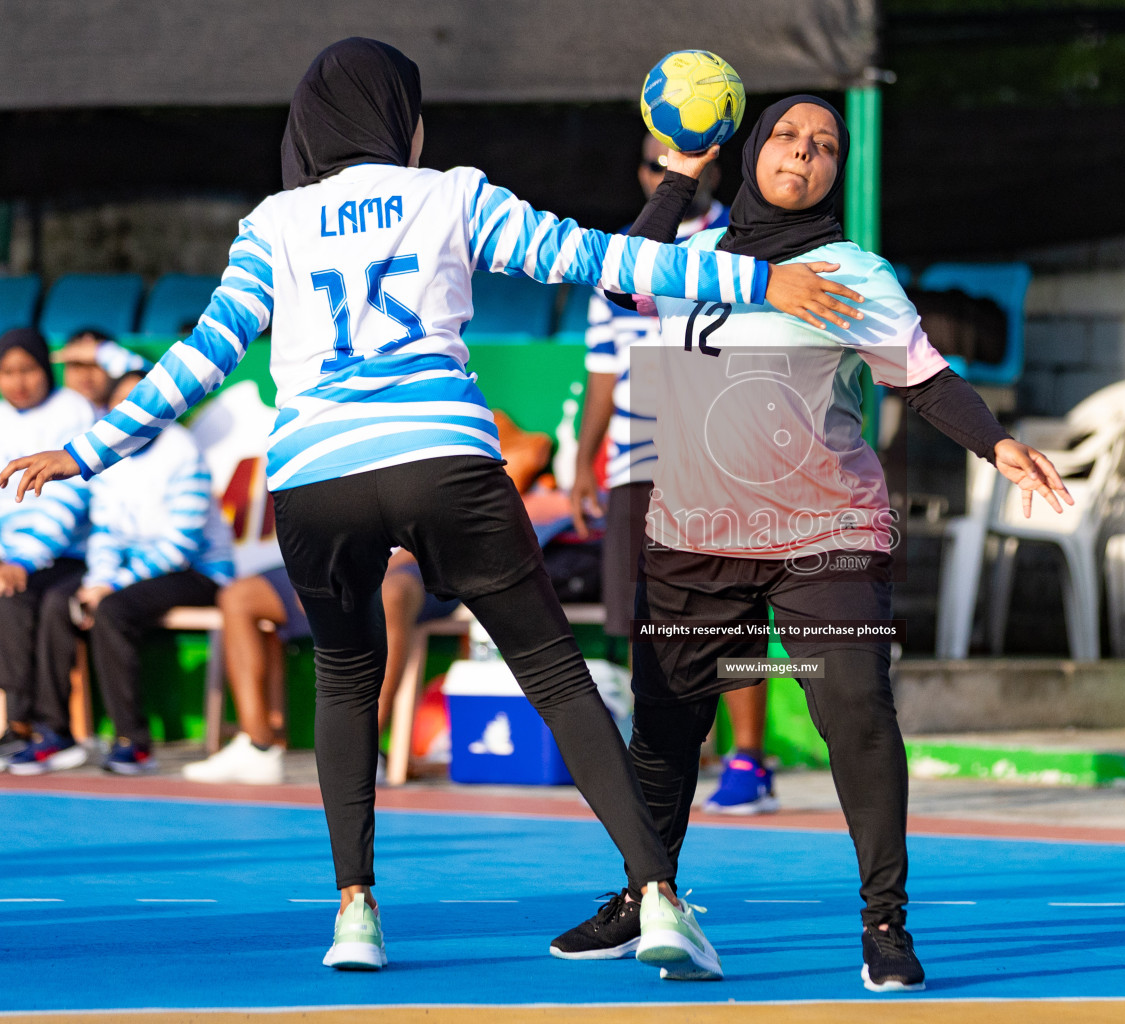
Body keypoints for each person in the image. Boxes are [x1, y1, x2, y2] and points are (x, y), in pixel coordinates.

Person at [1, 39, 862, 977]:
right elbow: (598, 260)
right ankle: (656, 894)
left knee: (343, 678)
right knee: (558, 676)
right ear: (397, 118)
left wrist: (82, 450)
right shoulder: (452, 193)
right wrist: (757, 277)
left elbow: (202, 356)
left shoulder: (274, 222)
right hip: (442, 459)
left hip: (315, 475)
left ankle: (354, 915)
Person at [548, 97, 1071, 993]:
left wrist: (997, 444)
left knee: (857, 708)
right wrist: (681, 170)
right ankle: (645, 893)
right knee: (668, 719)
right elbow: (618, 277)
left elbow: (928, 377)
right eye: (788, 138)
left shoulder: (852, 271)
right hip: (699, 527)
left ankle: (884, 923)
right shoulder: (692, 260)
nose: (806, 153)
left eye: (826, 146)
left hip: (825, 525)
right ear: (750, 154)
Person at [570, 134, 777, 815]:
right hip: (636, 459)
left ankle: (749, 759)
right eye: (661, 160)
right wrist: (582, 463)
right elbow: (602, 373)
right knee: (644, 620)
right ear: (643, 171)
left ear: (714, 166)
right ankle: (658, 757)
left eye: (690, 157)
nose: (677, 169)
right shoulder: (622, 255)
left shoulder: (741, 242)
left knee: (736, 612)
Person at [10, 369, 234, 776]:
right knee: (63, 599)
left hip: (199, 573)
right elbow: (105, 533)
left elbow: (179, 547)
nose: (134, 413)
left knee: (113, 609)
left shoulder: (184, 452)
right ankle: (54, 734)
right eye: (124, 406)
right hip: (133, 570)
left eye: (143, 402)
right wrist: (98, 580)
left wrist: (111, 585)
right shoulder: (110, 456)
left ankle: (134, 742)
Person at [181, 549, 459, 786]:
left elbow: (431, 528)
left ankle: (362, 752)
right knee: (239, 596)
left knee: (387, 595)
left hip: (420, 567)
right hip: (340, 566)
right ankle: (258, 747)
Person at [0, 327, 96, 764]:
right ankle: (17, 725)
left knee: (37, 600)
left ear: (45, 369)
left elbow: (70, 496)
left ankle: (46, 727)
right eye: (7, 372)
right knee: (10, 594)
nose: (18, 381)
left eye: (28, 369)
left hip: (69, 553)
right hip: (11, 557)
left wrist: (23, 558)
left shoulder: (72, 410)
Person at [54, 329, 147, 415]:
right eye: (77, 365)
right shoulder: (50, 412)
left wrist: (101, 352)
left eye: (95, 364)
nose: (85, 374)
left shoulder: (124, 413)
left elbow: (150, 378)